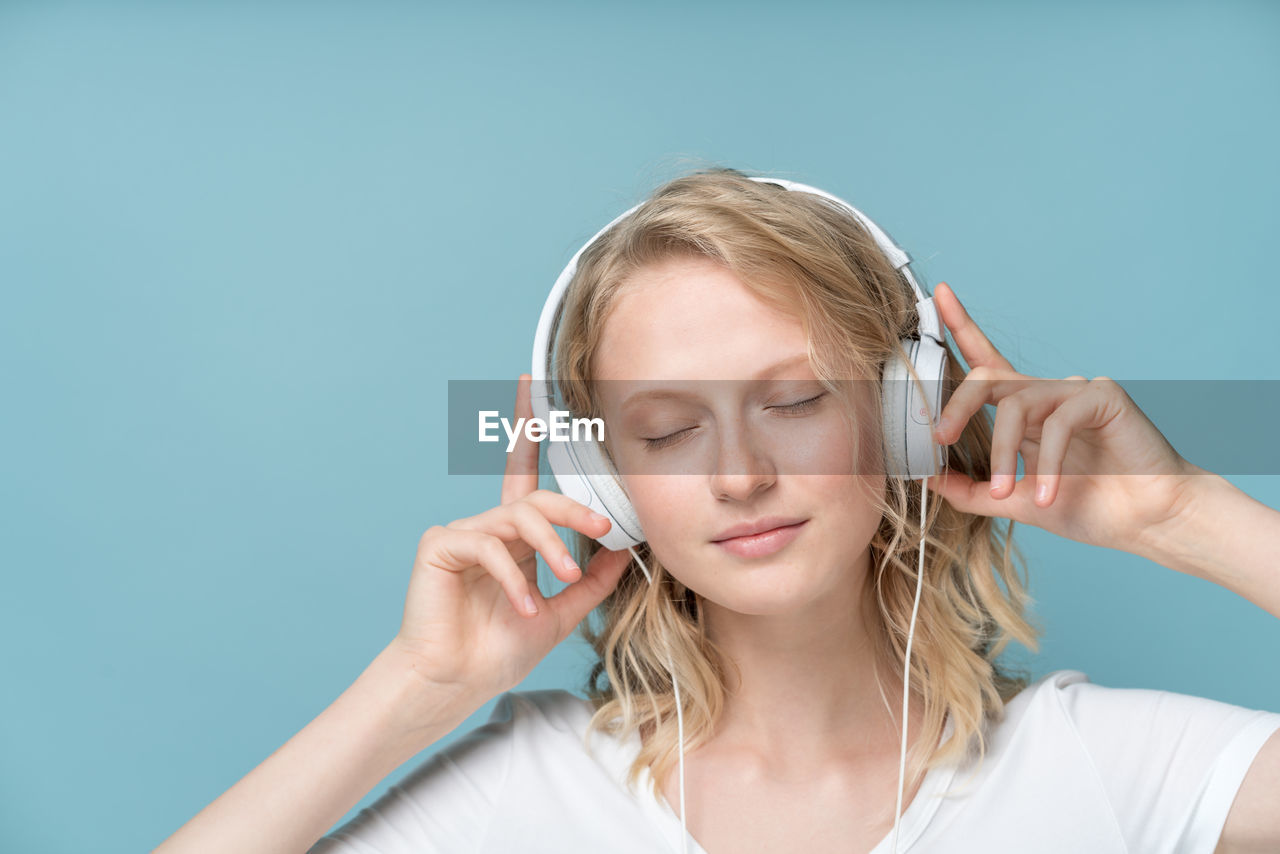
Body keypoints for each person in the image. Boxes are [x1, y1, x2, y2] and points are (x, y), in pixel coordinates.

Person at [154, 168, 1280, 854]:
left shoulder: (1097, 765)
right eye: (663, 431)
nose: (737, 474)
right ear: (604, 479)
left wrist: (1192, 518)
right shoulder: (523, 788)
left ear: (900, 419)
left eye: (792, 401)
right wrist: (417, 688)